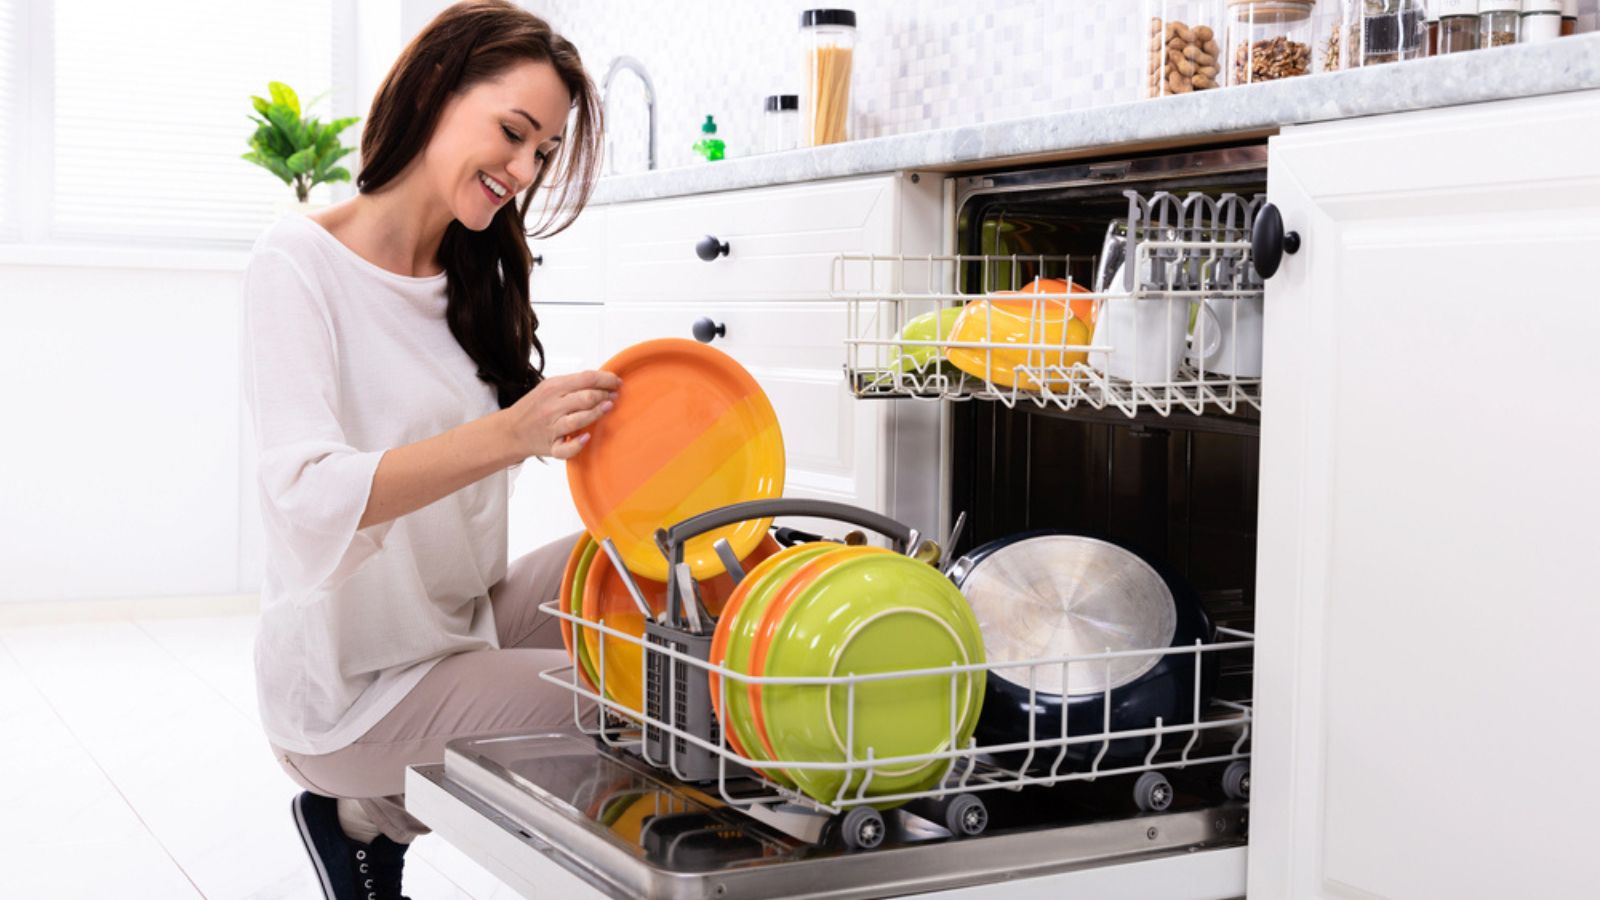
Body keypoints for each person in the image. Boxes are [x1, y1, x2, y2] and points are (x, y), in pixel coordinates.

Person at [237, 3, 614, 898]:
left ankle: (369, 820)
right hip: (349, 686)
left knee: (640, 561)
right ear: (436, 90)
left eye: (543, 155)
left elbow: (503, 436)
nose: (523, 172)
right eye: (514, 135)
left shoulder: (477, 268)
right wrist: (507, 435)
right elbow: (305, 497)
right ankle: (363, 802)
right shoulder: (297, 264)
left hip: (454, 621)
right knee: (610, 706)